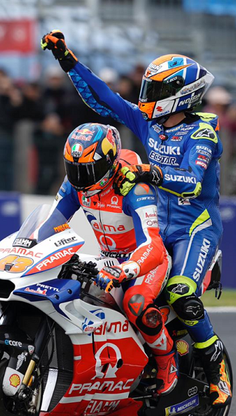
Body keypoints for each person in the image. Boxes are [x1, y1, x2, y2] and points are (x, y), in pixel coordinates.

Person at [42, 31, 231, 406]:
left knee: (180, 292)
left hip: (196, 228)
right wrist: (67, 60)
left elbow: (192, 182)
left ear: (181, 93)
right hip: (158, 223)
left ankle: (215, 366)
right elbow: (104, 98)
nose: (147, 100)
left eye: (156, 91)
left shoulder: (203, 133)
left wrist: (148, 173)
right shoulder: (152, 124)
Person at [46, 122, 177, 395]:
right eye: (74, 168)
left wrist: (127, 269)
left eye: (88, 170)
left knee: (135, 302)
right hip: (106, 259)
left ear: (109, 161)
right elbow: (51, 223)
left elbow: (153, 244)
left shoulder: (134, 188)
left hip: (145, 261)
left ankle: (168, 363)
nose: (80, 178)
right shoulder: (75, 185)